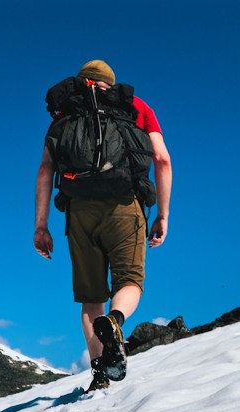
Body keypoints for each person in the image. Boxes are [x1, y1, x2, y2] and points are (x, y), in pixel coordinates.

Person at [33, 59, 172, 391]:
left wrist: (41, 226)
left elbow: (44, 171)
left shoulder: (64, 115)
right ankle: (116, 320)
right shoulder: (135, 107)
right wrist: (162, 216)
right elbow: (162, 159)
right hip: (126, 204)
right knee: (130, 281)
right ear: (111, 82)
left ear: (81, 82)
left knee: (90, 297)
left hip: (79, 210)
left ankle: (99, 374)